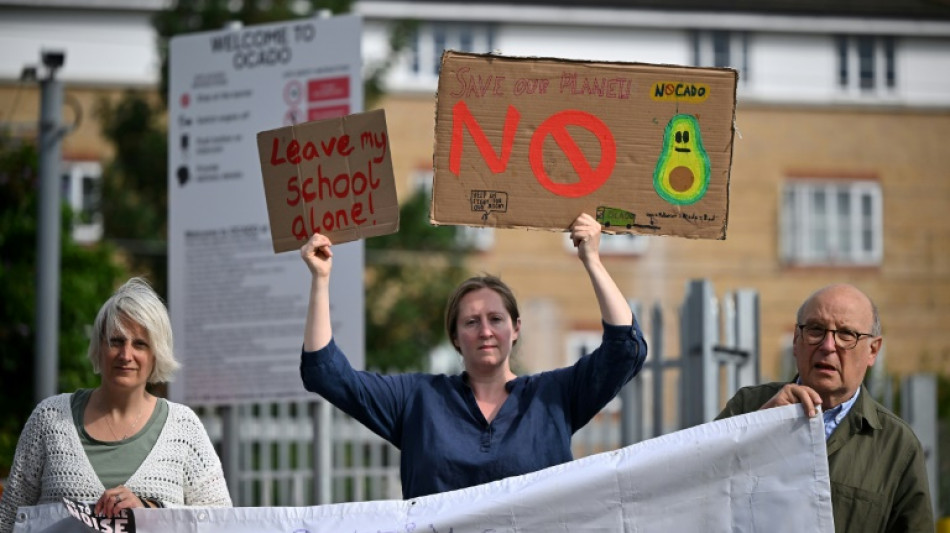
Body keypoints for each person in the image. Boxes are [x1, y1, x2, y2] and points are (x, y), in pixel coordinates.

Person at [300, 213, 647, 498]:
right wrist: (320, 279)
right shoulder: (416, 401)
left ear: (516, 328)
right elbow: (325, 373)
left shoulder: (554, 397)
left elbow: (625, 350)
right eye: (471, 322)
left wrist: (592, 259)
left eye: (496, 319)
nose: (485, 331)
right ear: (454, 336)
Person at [0, 278, 231, 533]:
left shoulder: (183, 427)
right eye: (116, 341)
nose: (125, 355)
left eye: (140, 344)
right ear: (99, 347)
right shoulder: (50, 418)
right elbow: (10, 517)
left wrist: (151, 510)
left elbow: (220, 521)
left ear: (156, 354)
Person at [716, 284, 932, 533]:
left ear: (872, 350)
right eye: (816, 330)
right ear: (796, 340)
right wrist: (759, 428)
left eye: (846, 334)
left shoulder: (897, 445)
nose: (828, 346)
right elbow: (697, 490)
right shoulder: (749, 407)